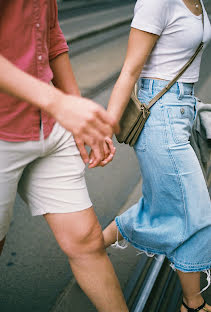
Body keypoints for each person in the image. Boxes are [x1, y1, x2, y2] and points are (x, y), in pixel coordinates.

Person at [0, 1, 129, 311]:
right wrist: (59, 103)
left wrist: (76, 116)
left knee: (87, 240)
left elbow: (51, 37)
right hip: (4, 131)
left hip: (49, 125)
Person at [103, 0, 211, 311]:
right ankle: (193, 304)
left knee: (161, 203)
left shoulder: (198, 1)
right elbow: (130, 70)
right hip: (159, 113)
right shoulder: (158, 1)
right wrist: (106, 128)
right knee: (197, 211)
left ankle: (92, 246)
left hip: (181, 110)